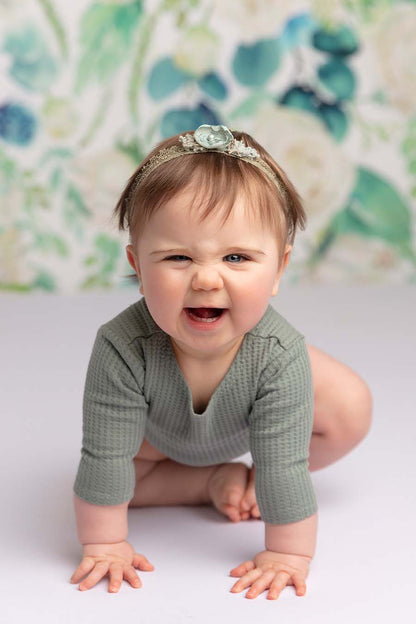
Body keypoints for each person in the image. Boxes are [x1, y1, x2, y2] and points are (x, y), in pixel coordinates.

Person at [70, 124, 372, 599]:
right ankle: (213, 479)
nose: (207, 279)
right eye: (177, 257)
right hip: (157, 440)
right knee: (113, 480)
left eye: (236, 257)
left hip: (255, 422)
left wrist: (287, 554)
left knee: (349, 409)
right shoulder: (121, 346)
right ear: (137, 267)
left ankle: (246, 473)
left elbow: (286, 466)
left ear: (279, 269)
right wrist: (105, 542)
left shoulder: (278, 354)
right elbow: (106, 456)